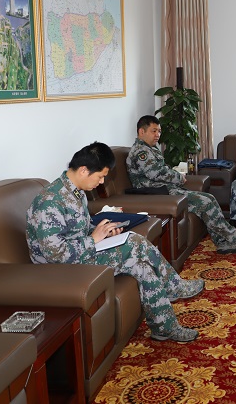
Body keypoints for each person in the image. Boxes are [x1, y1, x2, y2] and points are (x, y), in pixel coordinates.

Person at [26, 142, 204, 343]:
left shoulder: (75, 192)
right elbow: (55, 254)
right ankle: (174, 286)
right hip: (60, 269)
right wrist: (93, 239)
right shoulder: (50, 201)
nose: (102, 182)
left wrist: (103, 233)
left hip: (80, 254)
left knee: (141, 265)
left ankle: (165, 327)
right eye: (100, 176)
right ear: (83, 170)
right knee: (135, 243)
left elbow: (79, 230)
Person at [127, 115, 236, 254]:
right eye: (154, 131)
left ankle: (222, 242)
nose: (158, 135)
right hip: (156, 193)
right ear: (141, 131)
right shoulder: (141, 151)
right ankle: (234, 238)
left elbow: (160, 171)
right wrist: (179, 177)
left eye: (159, 131)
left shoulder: (149, 149)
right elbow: (156, 173)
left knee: (209, 197)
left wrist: (176, 175)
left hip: (164, 189)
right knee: (205, 202)